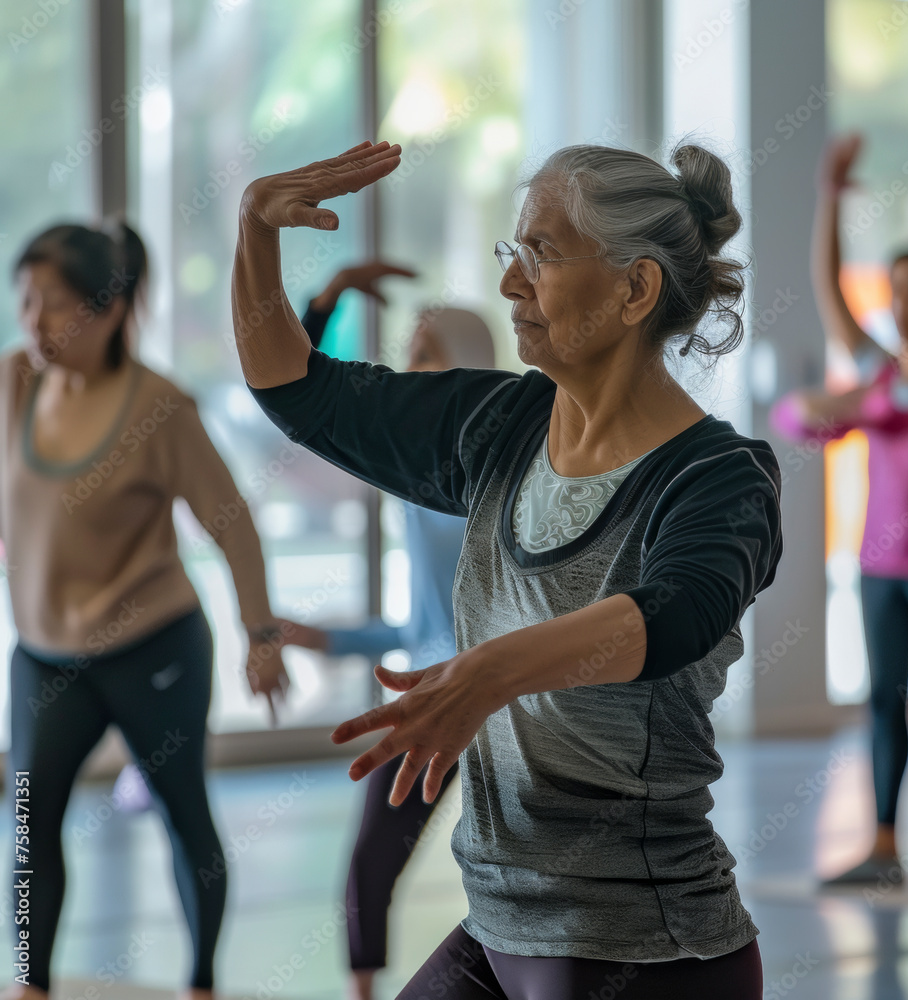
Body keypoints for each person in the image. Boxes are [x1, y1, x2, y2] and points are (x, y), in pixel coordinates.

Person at [232, 139, 782, 999]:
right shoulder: (500, 424)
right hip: (498, 927)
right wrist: (256, 233)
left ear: (636, 289)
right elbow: (295, 388)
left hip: (638, 949)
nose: (510, 283)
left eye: (543, 254)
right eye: (512, 252)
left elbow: (674, 612)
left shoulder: (718, 477)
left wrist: (488, 672)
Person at [2, 221, 292, 1000]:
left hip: (151, 648)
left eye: (54, 305)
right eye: (24, 300)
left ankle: (200, 984)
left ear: (108, 308)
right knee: (28, 825)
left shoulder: (159, 407)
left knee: (183, 815)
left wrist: (260, 635)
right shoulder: (11, 385)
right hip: (42, 657)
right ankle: (30, 986)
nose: (32, 320)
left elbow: (231, 522)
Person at [770, 133, 908, 897]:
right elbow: (830, 289)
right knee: (883, 705)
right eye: (893, 288)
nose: (898, 304)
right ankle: (884, 846)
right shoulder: (876, 376)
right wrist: (828, 199)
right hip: (880, 568)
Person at [280, 266, 496, 1000]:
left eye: (429, 352)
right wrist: (325, 299)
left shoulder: (513, 462)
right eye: (410, 353)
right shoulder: (410, 470)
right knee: (373, 859)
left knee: (525, 865)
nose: (411, 369)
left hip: (514, 693)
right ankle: (364, 991)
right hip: (434, 691)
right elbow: (295, 389)